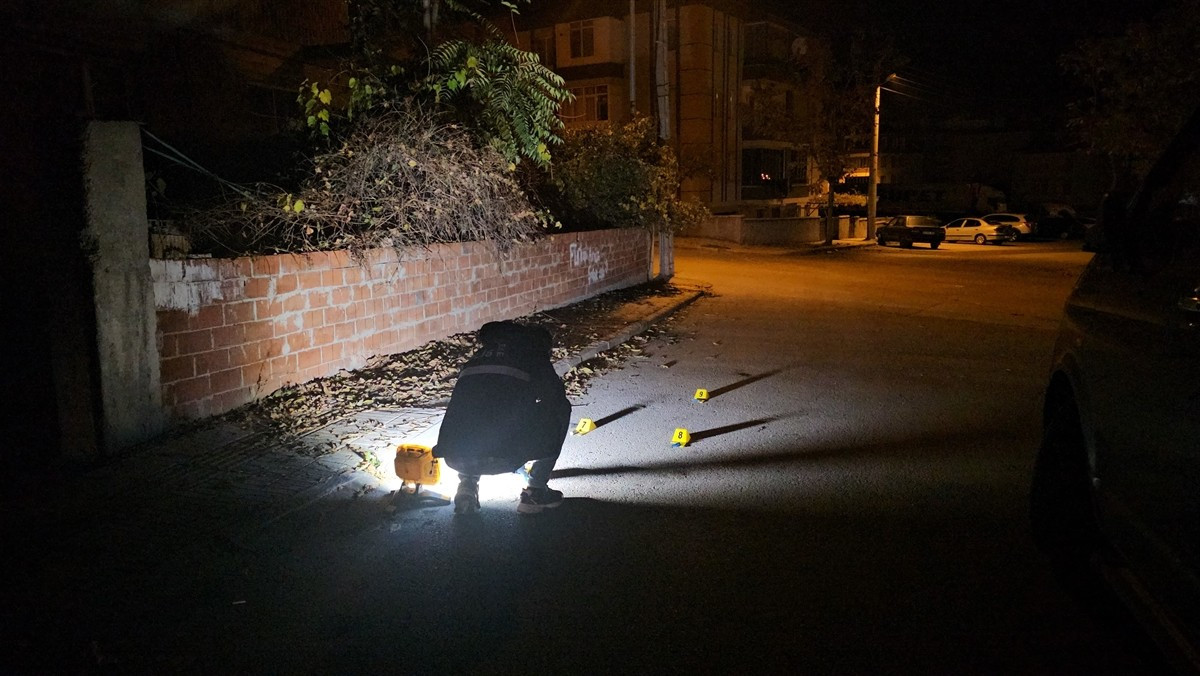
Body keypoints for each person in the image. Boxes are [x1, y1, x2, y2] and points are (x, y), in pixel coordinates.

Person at [433, 320, 571, 515]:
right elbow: (554, 397)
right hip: (501, 457)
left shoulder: (478, 357)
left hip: (454, 455)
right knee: (561, 409)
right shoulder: (533, 356)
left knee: (475, 412)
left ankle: (467, 485)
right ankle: (536, 492)